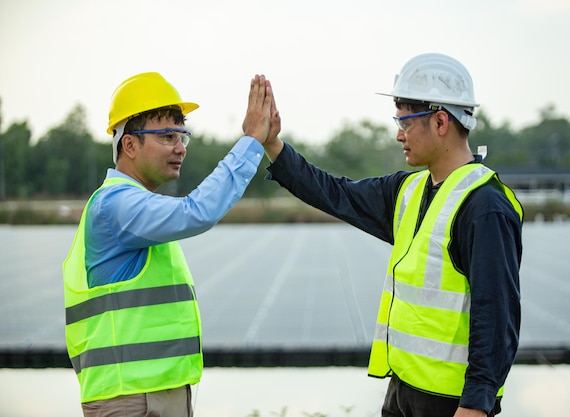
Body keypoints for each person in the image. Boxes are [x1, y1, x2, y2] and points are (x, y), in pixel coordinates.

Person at [261, 53, 523, 417]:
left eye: (405, 122)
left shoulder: (485, 207)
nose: (398, 134)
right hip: (402, 394)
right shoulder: (407, 191)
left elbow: (496, 316)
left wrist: (476, 405)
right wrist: (273, 145)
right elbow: (335, 193)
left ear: (441, 121)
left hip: (454, 406)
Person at [63, 72, 273, 416]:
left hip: (150, 395)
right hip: (132, 400)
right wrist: (251, 141)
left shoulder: (136, 209)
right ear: (129, 145)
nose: (180, 148)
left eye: (181, 136)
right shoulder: (116, 205)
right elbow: (198, 211)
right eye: (167, 136)